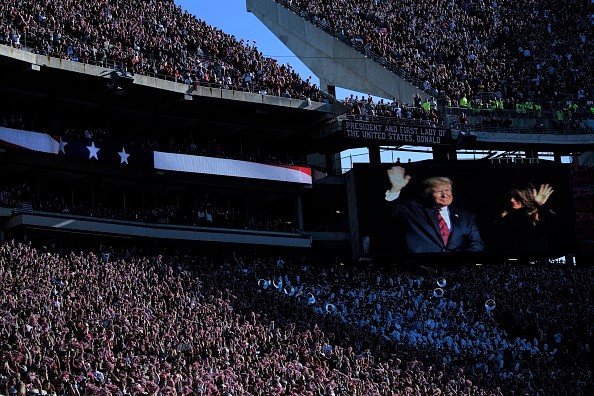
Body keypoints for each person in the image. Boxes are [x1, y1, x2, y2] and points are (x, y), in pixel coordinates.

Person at [383, 166, 483, 253]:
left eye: (447, 190)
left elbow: (476, 243)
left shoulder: (467, 217)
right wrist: (395, 189)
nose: (445, 195)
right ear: (427, 194)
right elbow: (389, 211)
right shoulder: (413, 210)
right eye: (439, 191)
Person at [491, 182, 558, 256]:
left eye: (516, 197)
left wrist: (541, 205)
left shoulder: (538, 214)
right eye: (511, 196)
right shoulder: (505, 214)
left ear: (526, 197)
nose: (512, 200)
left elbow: (554, 226)